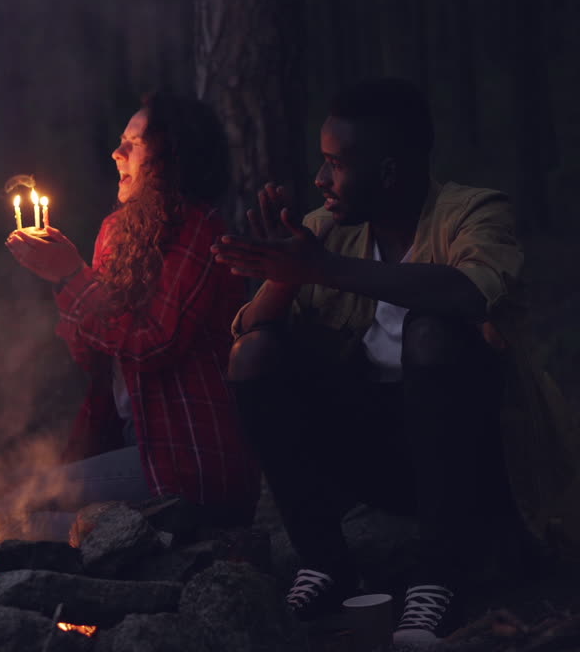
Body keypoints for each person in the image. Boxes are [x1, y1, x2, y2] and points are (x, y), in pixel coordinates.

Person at [212, 78, 527, 649]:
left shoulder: (474, 211)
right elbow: (251, 337)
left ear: (387, 173)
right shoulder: (325, 229)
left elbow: (474, 293)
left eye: (335, 164)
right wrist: (286, 276)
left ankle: (440, 576)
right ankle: (325, 563)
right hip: (374, 456)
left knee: (432, 332)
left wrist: (322, 268)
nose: (319, 179)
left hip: (467, 461)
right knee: (254, 352)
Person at [4, 91, 259, 537]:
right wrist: (63, 280)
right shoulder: (114, 233)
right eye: (121, 140)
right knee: (24, 512)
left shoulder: (200, 230)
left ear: (170, 157)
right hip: (134, 445)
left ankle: (167, 538)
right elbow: (96, 358)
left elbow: (154, 343)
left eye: (134, 143)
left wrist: (74, 276)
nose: (116, 152)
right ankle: (151, 540)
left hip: (186, 456)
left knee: (21, 511)